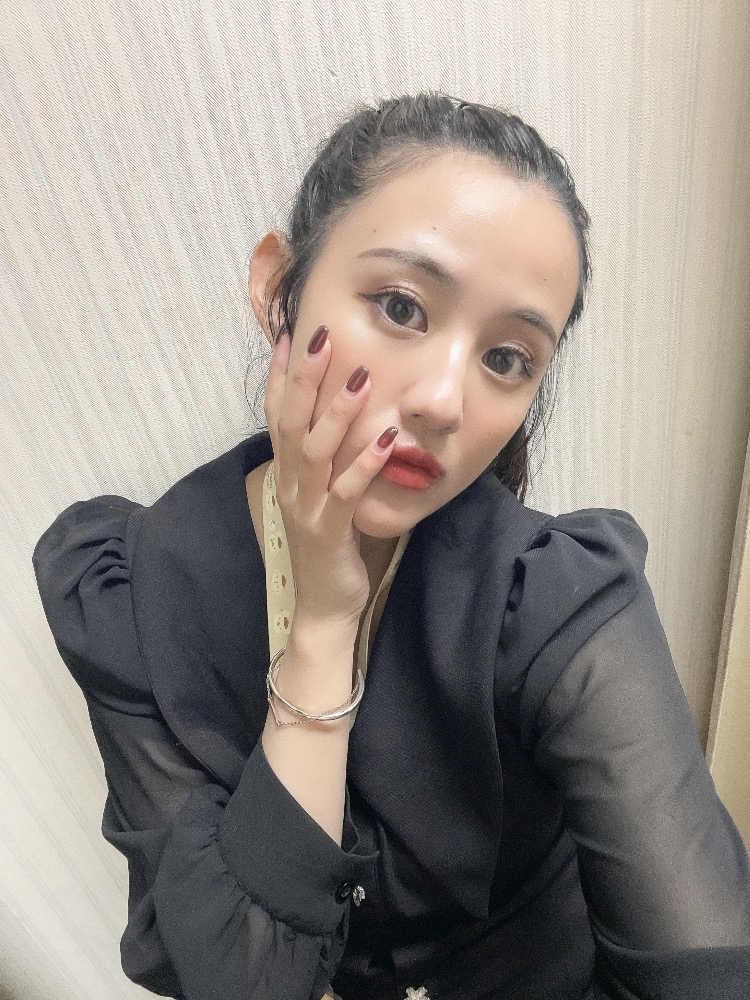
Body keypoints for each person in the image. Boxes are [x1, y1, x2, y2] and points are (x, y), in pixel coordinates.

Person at [33, 93, 750, 1000]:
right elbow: (238, 979)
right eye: (403, 307)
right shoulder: (131, 591)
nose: (444, 401)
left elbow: (705, 970)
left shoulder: (557, 600)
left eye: (506, 358)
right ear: (277, 289)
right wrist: (323, 629)